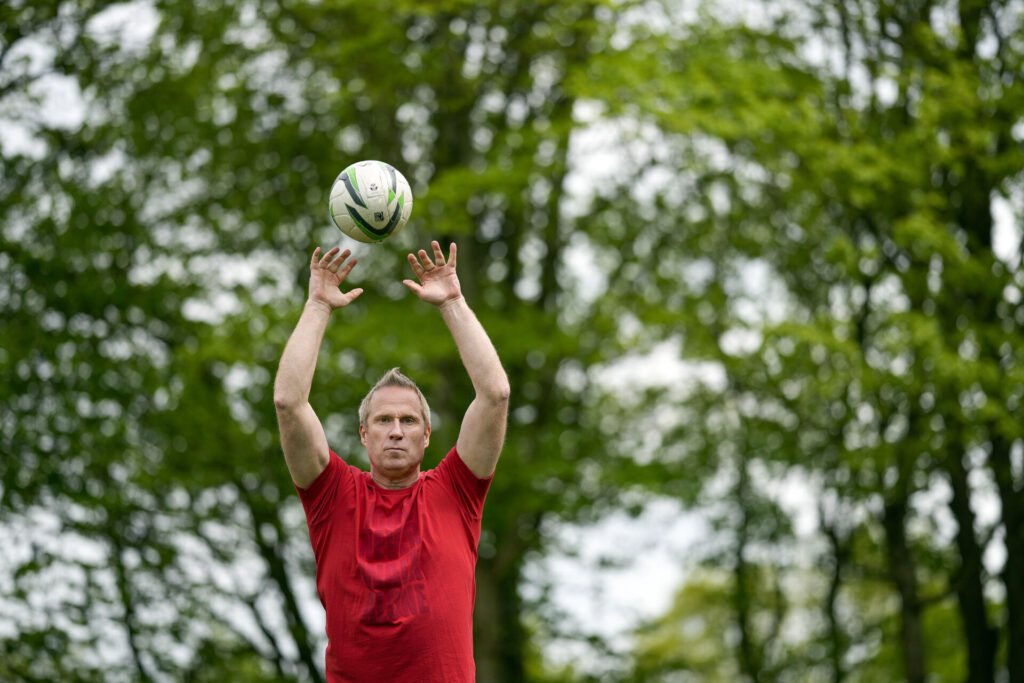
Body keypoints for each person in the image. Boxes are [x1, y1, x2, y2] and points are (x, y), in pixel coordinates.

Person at [273, 240, 510, 682]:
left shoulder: (456, 492)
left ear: (426, 436)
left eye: (408, 420)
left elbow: (495, 395)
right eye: (383, 420)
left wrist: (454, 303)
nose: (396, 429)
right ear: (364, 434)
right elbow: (288, 402)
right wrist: (318, 305)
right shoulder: (332, 495)